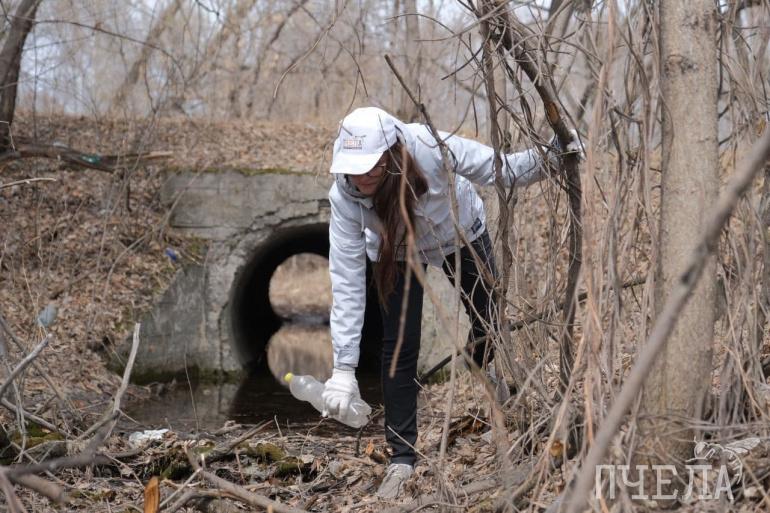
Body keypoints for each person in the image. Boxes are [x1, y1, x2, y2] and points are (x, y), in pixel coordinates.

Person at [321, 106, 579, 499]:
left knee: (487, 318)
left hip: (458, 233)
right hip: (397, 251)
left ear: (393, 153)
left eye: (372, 166)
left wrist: (555, 154)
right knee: (399, 346)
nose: (363, 177)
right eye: (354, 168)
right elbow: (346, 279)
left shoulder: (429, 145)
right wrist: (343, 368)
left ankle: (483, 366)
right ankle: (401, 458)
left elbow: (501, 168)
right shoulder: (344, 196)